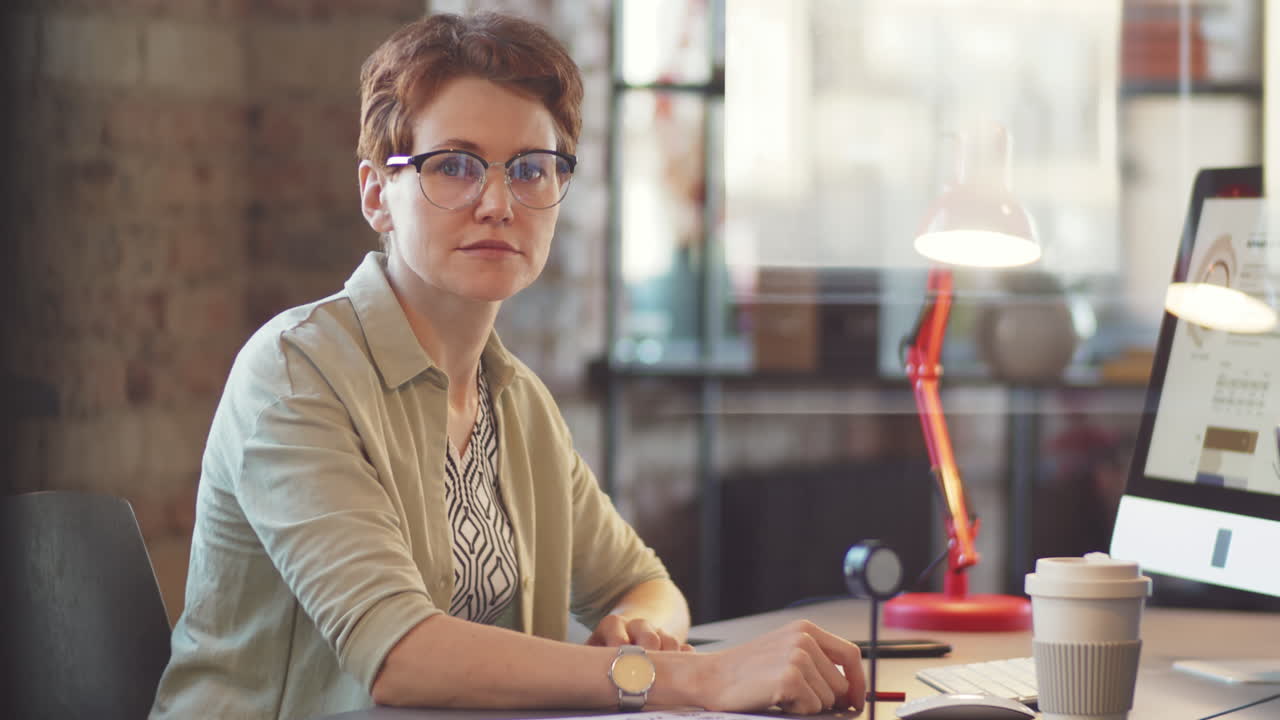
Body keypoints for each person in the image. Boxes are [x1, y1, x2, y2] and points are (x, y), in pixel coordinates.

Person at [149, 12, 865, 719]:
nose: (497, 203)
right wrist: (687, 679)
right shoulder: (295, 372)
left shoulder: (515, 400)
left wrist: (639, 631)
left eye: (530, 169)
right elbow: (399, 656)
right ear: (377, 194)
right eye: (454, 166)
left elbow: (647, 585)